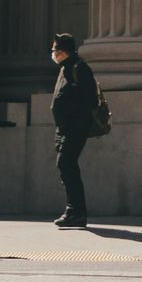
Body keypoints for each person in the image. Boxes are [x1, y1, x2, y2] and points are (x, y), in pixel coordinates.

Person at [49, 31, 99, 229]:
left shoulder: (80, 68)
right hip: (64, 128)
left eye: (54, 50)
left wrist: (72, 116)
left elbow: (90, 100)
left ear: (63, 51)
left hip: (75, 127)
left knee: (67, 165)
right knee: (65, 167)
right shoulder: (65, 68)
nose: (52, 53)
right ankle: (74, 211)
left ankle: (75, 212)